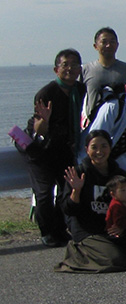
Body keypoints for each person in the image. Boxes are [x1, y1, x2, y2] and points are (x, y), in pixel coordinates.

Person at [23, 49, 85, 247]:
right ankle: (47, 231)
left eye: (74, 64)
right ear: (56, 69)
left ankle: (59, 229)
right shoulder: (46, 93)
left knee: (65, 191)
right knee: (43, 193)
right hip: (42, 151)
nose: (70, 68)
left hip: (65, 149)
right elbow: (38, 127)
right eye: (65, 64)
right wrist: (45, 122)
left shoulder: (81, 90)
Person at [56, 131, 126, 273]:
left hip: (112, 228)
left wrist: (123, 225)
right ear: (87, 149)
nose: (99, 151)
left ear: (110, 148)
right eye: (94, 147)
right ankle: (76, 252)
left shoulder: (119, 174)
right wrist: (77, 191)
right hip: (88, 231)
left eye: (104, 146)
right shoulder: (78, 173)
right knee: (117, 260)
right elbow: (68, 210)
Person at [80, 27, 126, 126]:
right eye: (104, 42)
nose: (108, 45)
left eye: (112, 42)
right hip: (93, 125)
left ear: (117, 45)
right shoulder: (86, 70)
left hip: (123, 125)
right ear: (95, 46)